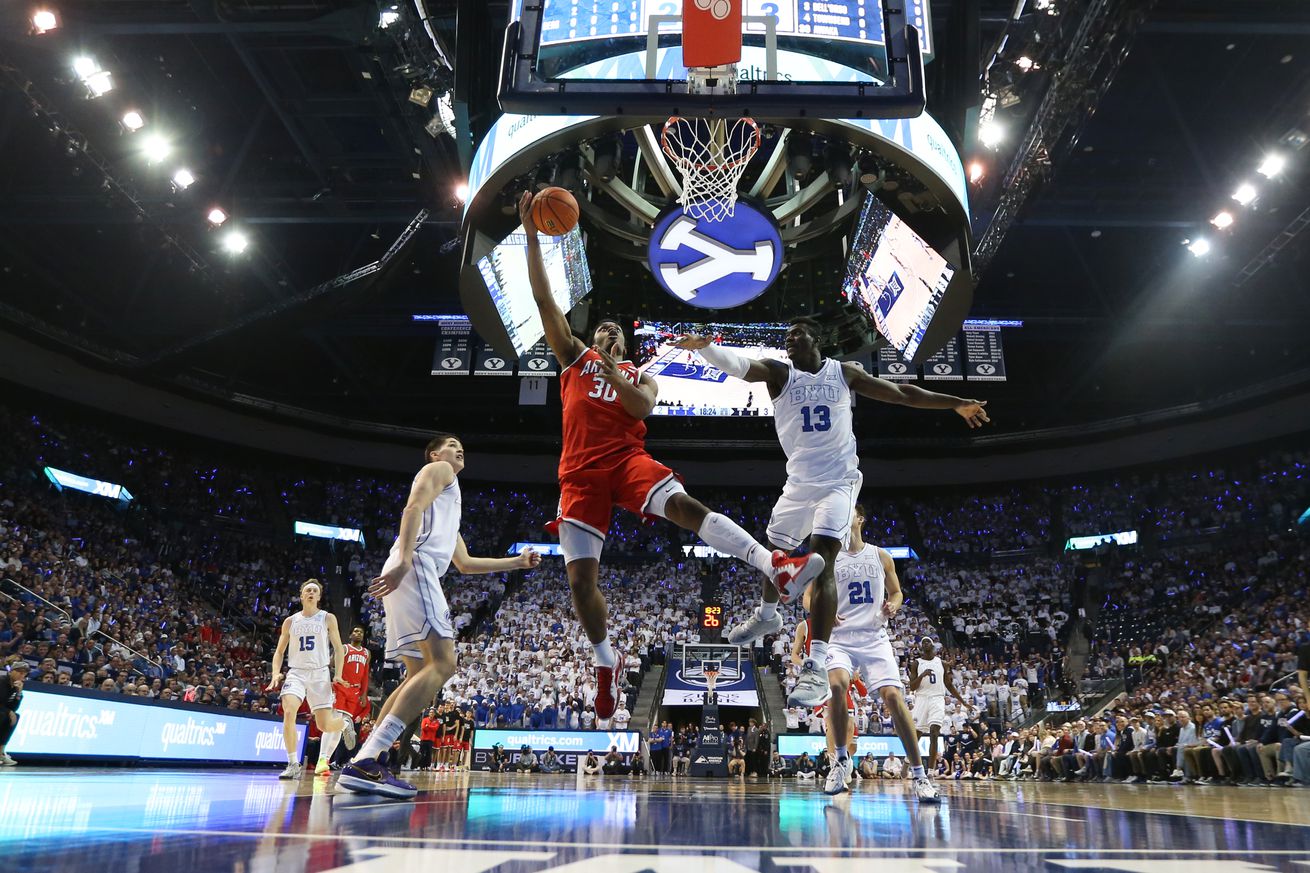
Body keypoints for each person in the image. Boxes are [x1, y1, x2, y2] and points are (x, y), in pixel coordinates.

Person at [520, 192, 822, 718]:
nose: (608, 332)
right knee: (579, 582)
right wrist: (530, 237)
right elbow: (546, 303)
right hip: (580, 474)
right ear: (592, 338)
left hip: (626, 460)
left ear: (625, 346)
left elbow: (640, 408)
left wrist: (617, 373)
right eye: (601, 330)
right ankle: (604, 659)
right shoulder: (573, 359)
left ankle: (772, 563)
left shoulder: (643, 376)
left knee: (685, 506)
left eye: (615, 332)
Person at [679, 322, 988, 706]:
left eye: (798, 333)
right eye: (787, 335)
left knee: (822, 561)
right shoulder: (779, 374)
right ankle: (767, 614)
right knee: (774, 552)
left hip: (838, 483)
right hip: (798, 483)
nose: (790, 339)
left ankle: (815, 664)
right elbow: (741, 366)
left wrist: (954, 402)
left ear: (817, 339)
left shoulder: (844, 373)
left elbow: (903, 393)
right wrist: (706, 350)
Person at [338, 434, 541, 798]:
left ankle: (369, 758)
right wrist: (403, 559)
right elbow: (412, 506)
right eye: (451, 443)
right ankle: (367, 759)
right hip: (414, 565)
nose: (459, 448)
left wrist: (517, 563)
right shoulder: (439, 469)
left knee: (417, 673)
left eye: (462, 444)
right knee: (444, 664)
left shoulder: (450, 507)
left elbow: (464, 564)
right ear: (434, 453)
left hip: (413, 566)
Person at [818, 506, 939, 802]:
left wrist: (895, 604)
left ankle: (921, 776)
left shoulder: (880, 555)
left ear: (860, 519)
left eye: (849, 514)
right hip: (840, 637)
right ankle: (841, 760)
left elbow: (897, 592)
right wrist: (824, 610)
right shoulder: (827, 558)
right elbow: (810, 596)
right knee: (836, 686)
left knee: (894, 698)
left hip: (874, 636)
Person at [266, 579, 350, 779]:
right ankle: (293, 763)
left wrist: (337, 673)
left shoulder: (327, 618)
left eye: (315, 590)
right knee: (289, 712)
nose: (311, 592)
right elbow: (279, 652)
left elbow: (339, 648)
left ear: (319, 596)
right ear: (302, 596)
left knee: (325, 726)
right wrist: (275, 672)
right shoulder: (290, 621)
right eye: (308, 590)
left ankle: (345, 724)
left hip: (320, 673)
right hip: (296, 672)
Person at [908, 638, 971, 773]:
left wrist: (962, 701)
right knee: (917, 735)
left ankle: (930, 772)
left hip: (937, 698)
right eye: (923, 642)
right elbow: (912, 687)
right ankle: (908, 761)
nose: (925, 643)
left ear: (933, 646)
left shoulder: (941, 663)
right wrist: (922, 675)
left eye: (928, 641)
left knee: (934, 732)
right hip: (922, 698)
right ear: (921, 647)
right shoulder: (916, 663)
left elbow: (948, 684)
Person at [330, 626, 370, 760]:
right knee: (337, 719)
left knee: (339, 724)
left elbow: (365, 675)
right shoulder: (344, 648)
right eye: (355, 631)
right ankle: (346, 726)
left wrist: (364, 694)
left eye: (361, 632)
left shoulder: (366, 653)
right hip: (342, 686)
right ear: (350, 635)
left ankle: (346, 726)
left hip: (355, 691)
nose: (358, 633)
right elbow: (331, 664)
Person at [0, 661, 29, 765]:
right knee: (4, 715)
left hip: (2, 711)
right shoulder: (2, 681)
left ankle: (1, 753)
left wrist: (19, 693)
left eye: (24, 673)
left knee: (15, 716)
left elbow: (14, 708)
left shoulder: (16, 686)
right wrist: (8, 711)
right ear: (11, 671)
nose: (22, 675)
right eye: (19, 672)